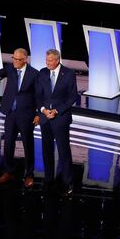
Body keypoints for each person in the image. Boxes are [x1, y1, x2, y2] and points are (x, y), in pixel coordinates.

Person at [0, 48, 41, 187]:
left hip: (27, 115)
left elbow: (39, 95)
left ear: (25, 59)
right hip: (10, 113)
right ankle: (8, 172)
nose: (15, 61)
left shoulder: (34, 74)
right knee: (8, 143)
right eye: (13, 58)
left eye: (18, 59)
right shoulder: (11, 68)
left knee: (28, 145)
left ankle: (29, 175)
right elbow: (0, 72)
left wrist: (38, 114)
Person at [36, 49, 78, 198]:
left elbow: (72, 96)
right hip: (45, 117)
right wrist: (43, 110)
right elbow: (38, 95)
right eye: (46, 61)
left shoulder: (68, 73)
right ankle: (48, 179)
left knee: (63, 151)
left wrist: (56, 111)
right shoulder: (42, 72)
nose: (47, 64)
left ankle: (67, 182)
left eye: (50, 61)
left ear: (58, 60)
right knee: (46, 150)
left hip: (60, 118)